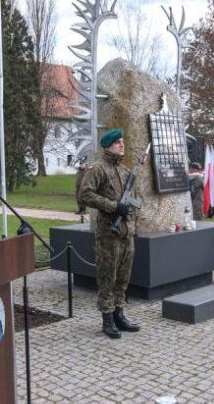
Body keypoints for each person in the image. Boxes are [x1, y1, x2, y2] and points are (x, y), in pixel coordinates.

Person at [79, 129, 141, 339]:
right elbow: (85, 195)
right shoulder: (98, 169)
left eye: (122, 141)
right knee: (108, 276)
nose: (121, 145)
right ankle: (107, 318)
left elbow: (135, 200)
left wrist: (132, 212)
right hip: (108, 234)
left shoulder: (124, 171)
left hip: (126, 233)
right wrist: (113, 206)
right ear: (107, 146)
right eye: (117, 142)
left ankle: (119, 314)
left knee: (123, 277)